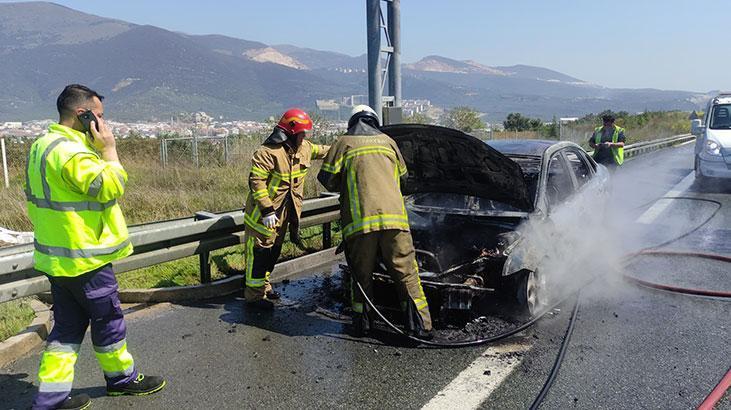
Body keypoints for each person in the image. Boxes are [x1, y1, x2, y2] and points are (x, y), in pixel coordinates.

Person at [25, 85, 165, 410]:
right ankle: (122, 379)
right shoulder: (71, 152)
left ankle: (50, 397)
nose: (102, 123)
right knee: (109, 320)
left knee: (67, 328)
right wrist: (109, 150)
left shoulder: (42, 146)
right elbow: (110, 186)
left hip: (59, 259)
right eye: (98, 116)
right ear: (82, 115)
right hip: (86, 258)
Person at [317, 105, 433, 339]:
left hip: (360, 223)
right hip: (395, 221)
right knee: (407, 273)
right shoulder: (389, 142)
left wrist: (352, 181)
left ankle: (362, 325)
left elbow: (327, 180)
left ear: (352, 122)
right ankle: (420, 326)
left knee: (361, 276)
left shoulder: (343, 143)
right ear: (374, 122)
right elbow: (404, 179)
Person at [242, 108, 330, 309]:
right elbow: (256, 182)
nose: (304, 137)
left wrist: (345, 146)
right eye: (302, 133)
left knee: (273, 254)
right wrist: (267, 210)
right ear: (290, 133)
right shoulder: (267, 153)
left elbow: (324, 150)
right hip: (262, 218)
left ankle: (264, 287)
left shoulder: (304, 148)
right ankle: (253, 297)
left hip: (284, 216)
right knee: (259, 255)